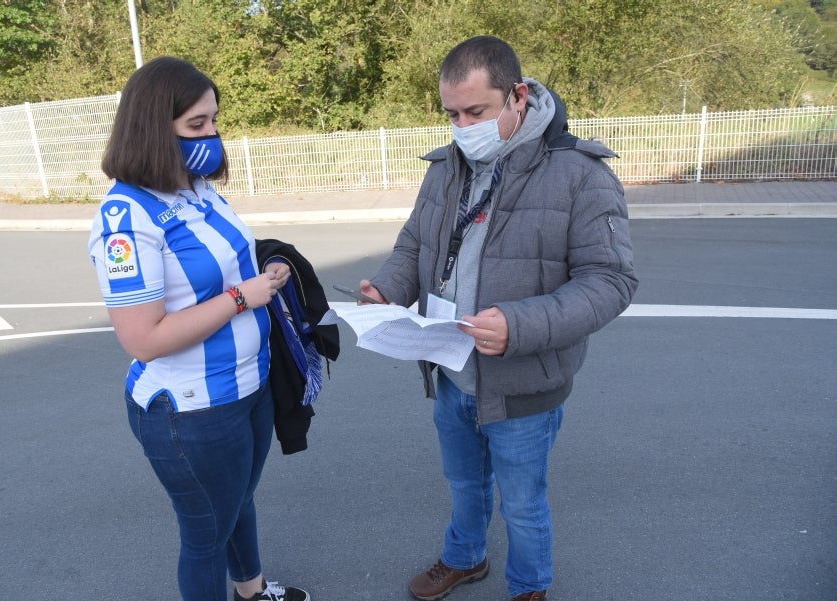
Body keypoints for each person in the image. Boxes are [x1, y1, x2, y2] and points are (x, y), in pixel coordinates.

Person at [358, 36, 638, 601]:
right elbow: (414, 245)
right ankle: (464, 558)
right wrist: (388, 289)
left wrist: (520, 325)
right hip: (451, 368)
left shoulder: (581, 174)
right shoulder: (446, 168)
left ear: (516, 97)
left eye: (476, 112)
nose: (462, 126)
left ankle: (530, 588)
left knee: (524, 503)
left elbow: (610, 281)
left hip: (523, 383)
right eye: (452, 114)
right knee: (464, 484)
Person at [87, 56, 309, 601]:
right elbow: (143, 337)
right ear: (153, 129)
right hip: (192, 411)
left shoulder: (197, 188)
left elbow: (227, 265)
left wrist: (268, 271)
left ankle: (253, 592)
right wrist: (240, 297)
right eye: (196, 125)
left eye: (213, 120)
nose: (212, 135)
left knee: (237, 503)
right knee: (206, 534)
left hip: (248, 386)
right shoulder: (125, 220)